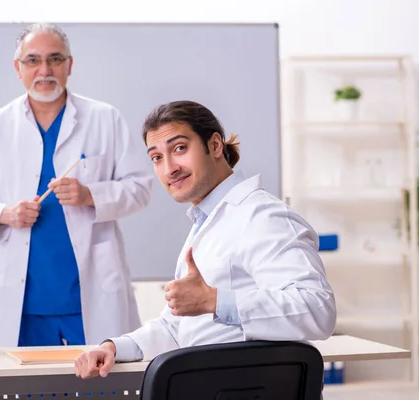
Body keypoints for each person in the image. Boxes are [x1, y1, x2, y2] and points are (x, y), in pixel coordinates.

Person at [74, 100, 336, 379]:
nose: (169, 168)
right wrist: (115, 347)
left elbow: (317, 310)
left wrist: (215, 301)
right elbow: (180, 328)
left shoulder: (262, 216)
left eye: (179, 149)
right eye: (157, 157)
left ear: (214, 146)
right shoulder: (206, 222)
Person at [0, 23, 153, 348]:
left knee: (102, 390)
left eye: (55, 59)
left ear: (69, 65)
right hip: (26, 303)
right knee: (30, 390)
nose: (44, 70)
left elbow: (141, 188)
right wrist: (6, 213)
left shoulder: (105, 119)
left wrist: (91, 194)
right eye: (33, 60)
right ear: (18, 68)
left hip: (89, 294)